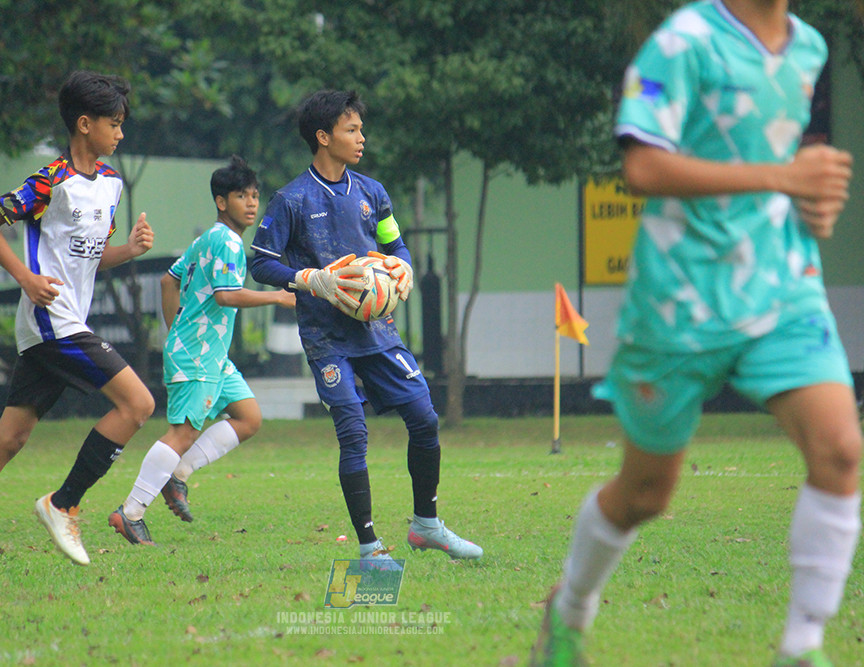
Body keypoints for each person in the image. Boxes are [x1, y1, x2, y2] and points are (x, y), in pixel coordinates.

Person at [530, 2, 860, 666]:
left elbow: (776, 167)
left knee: (842, 452)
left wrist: (811, 202)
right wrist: (783, 176)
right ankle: (568, 613)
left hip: (781, 285)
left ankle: (802, 646)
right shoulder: (683, 42)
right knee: (645, 493)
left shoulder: (809, 48)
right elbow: (643, 168)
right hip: (678, 300)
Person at [0, 70, 156, 581]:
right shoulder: (49, 181)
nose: (120, 133)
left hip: (63, 324)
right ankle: (64, 504)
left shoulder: (110, 184)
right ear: (84, 124)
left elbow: (90, 258)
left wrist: (129, 250)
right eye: (113, 123)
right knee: (138, 404)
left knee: (9, 438)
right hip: (51, 322)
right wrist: (25, 277)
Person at [249, 89, 482, 567]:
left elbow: (395, 246)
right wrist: (309, 278)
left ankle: (426, 525)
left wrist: (404, 268)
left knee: (424, 418)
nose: (361, 138)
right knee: (354, 433)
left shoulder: (373, 193)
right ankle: (369, 548)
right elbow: (261, 264)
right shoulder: (291, 199)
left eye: (360, 129)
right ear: (323, 137)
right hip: (327, 339)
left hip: (378, 331)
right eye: (351, 130)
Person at [108, 155, 295, 545]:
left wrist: (176, 330)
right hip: (198, 353)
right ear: (221, 202)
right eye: (241, 196)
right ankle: (131, 512)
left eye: (254, 195)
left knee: (248, 417)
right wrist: (278, 296)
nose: (251, 203)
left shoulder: (207, 239)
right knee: (183, 433)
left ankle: (176, 475)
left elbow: (167, 281)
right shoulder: (226, 241)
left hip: (210, 355)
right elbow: (226, 295)